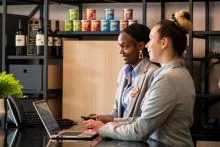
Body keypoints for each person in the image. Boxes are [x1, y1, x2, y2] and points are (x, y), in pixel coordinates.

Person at [84, 11, 196, 147]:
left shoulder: (168, 79)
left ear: (164, 42)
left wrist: (101, 128)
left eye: (151, 39)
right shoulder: (177, 73)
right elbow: (144, 120)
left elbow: (140, 130)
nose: (147, 45)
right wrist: (109, 122)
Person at [87, 23, 159, 123]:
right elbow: (117, 112)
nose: (121, 52)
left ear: (140, 46)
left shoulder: (153, 73)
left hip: (139, 136)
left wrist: (111, 120)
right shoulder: (124, 72)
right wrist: (101, 118)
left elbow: (147, 121)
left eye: (125, 47)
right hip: (121, 133)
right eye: (120, 47)